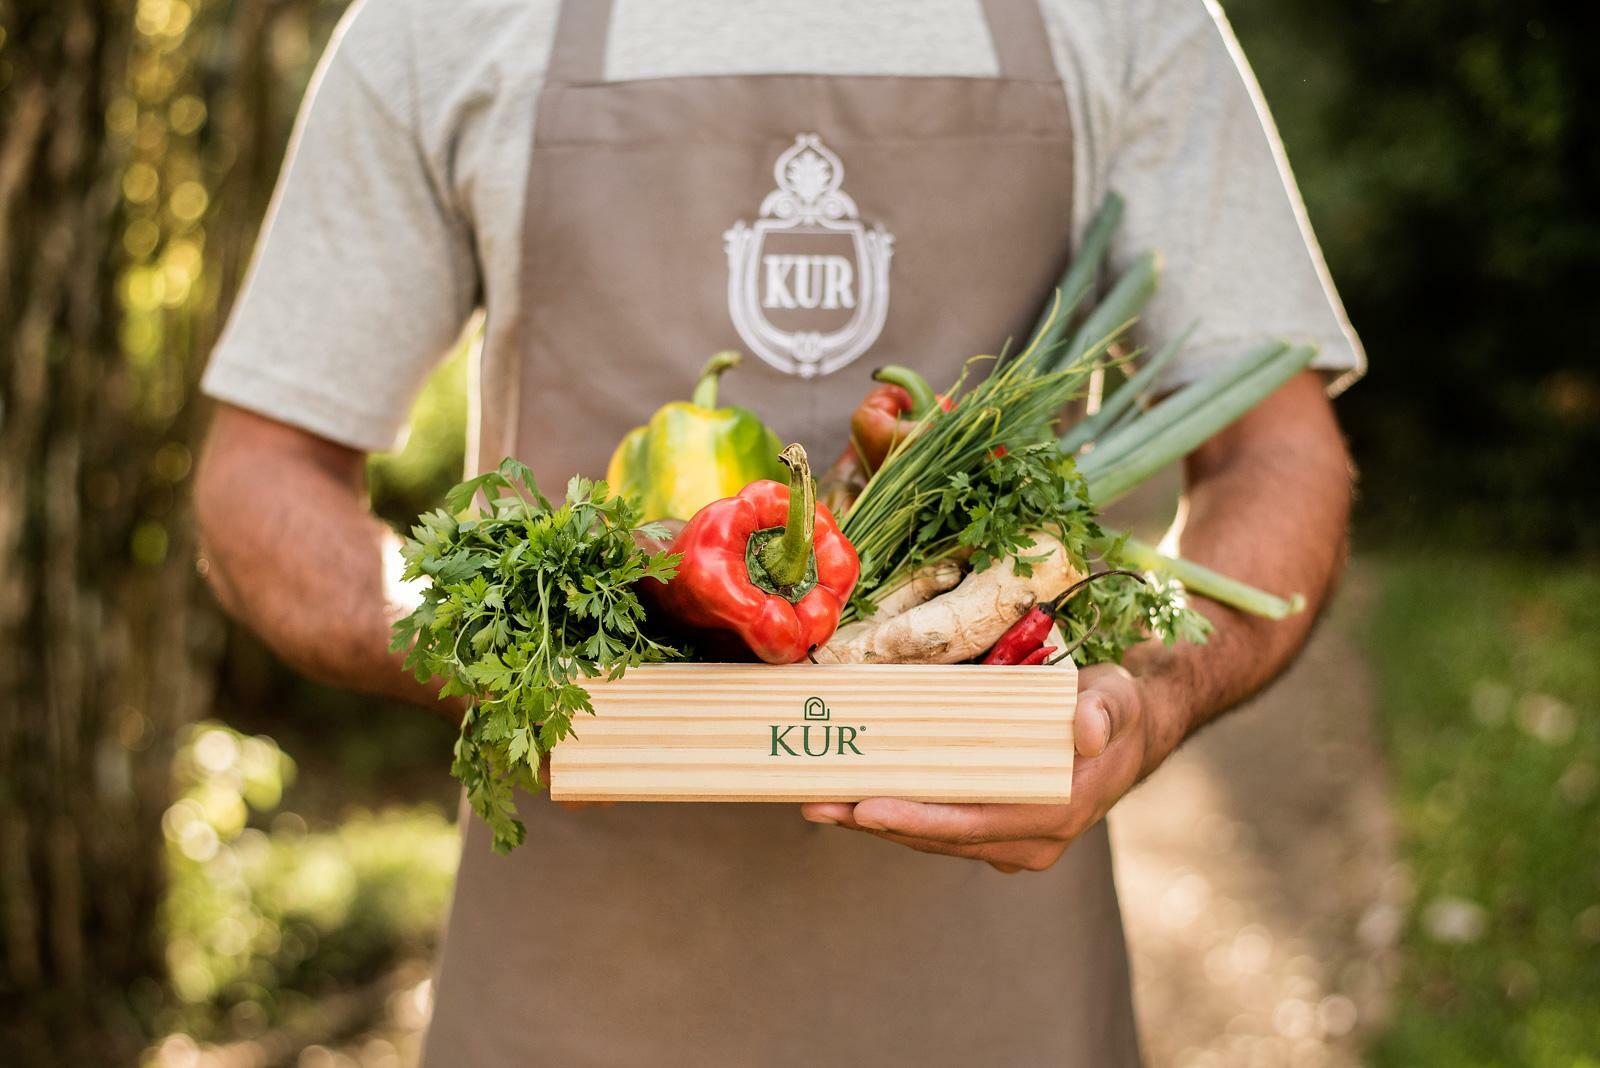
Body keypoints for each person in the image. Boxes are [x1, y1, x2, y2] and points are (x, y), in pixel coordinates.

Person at [194, 1, 1363, 1063]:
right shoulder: (438, 24)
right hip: (577, 988)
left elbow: (1277, 449)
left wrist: (1144, 700)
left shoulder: (1126, 19)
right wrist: (494, 649)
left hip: (999, 991)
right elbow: (262, 477)